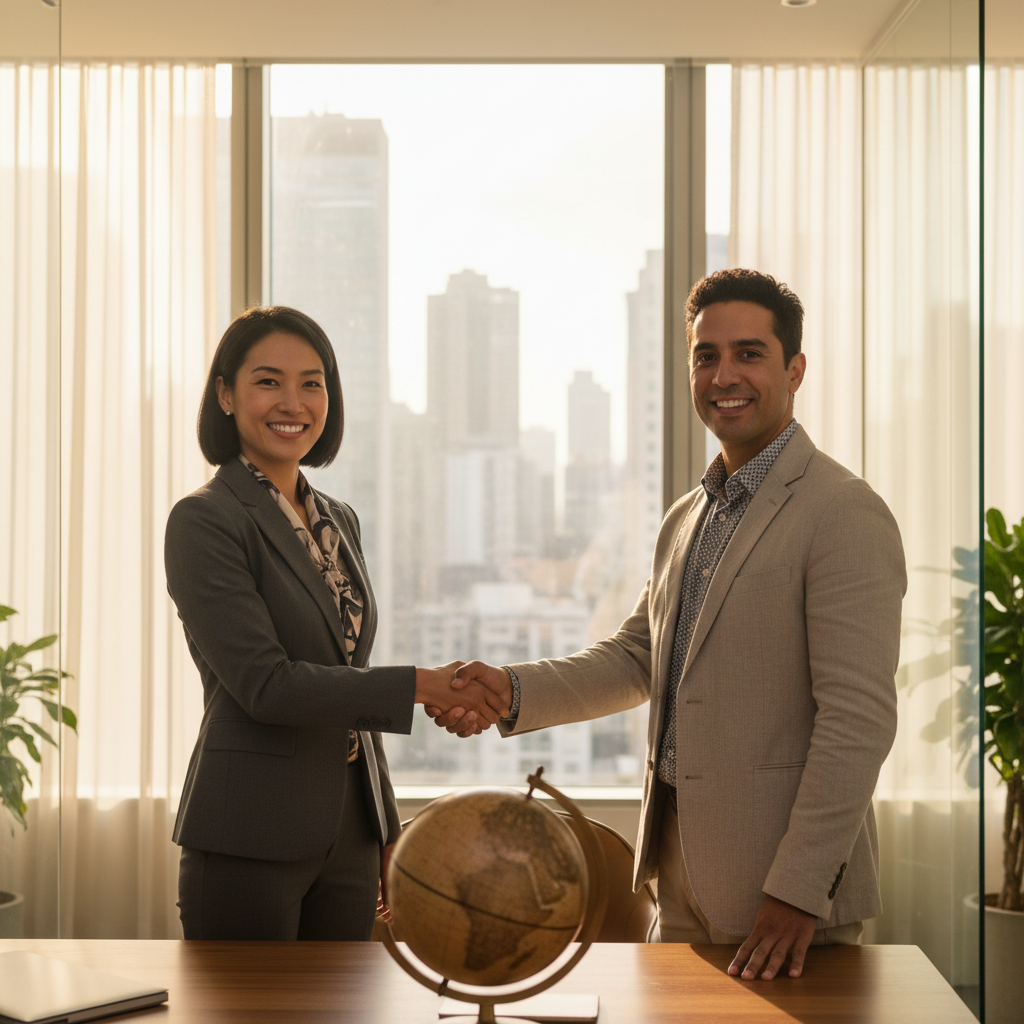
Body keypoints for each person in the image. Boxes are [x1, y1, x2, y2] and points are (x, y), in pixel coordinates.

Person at [430, 269, 906, 981]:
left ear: (795, 370)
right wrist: (510, 689)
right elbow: (638, 657)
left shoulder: (843, 511)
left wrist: (798, 889)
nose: (724, 375)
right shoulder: (688, 515)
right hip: (676, 871)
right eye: (705, 356)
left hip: (781, 893)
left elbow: (858, 721)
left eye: (749, 354)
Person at [166, 306, 505, 940]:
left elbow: (348, 680)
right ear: (226, 395)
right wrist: (424, 685)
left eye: (312, 383)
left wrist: (385, 828)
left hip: (350, 833)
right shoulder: (205, 520)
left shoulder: (338, 519)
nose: (292, 402)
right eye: (268, 381)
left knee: (343, 997)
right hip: (249, 831)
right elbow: (267, 685)